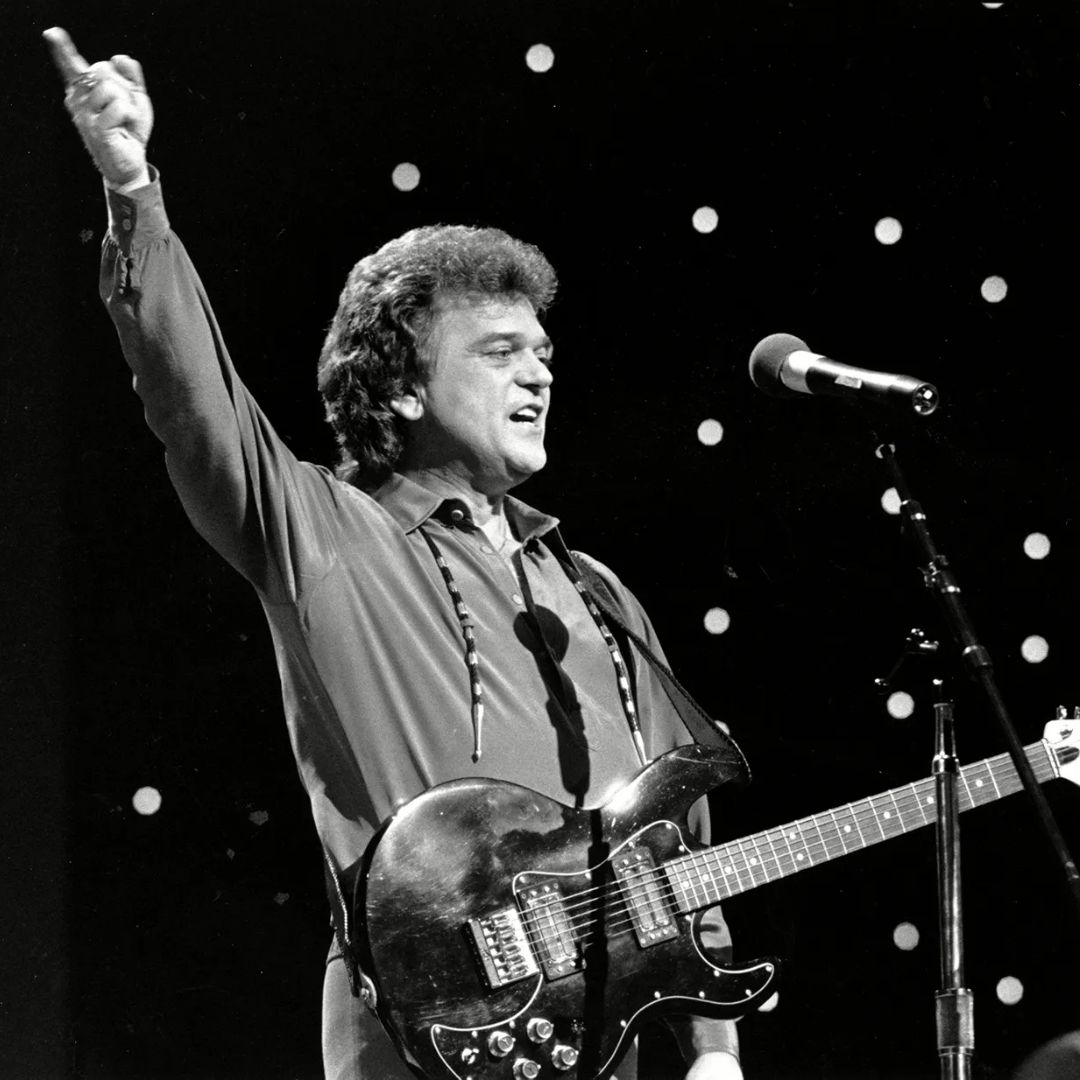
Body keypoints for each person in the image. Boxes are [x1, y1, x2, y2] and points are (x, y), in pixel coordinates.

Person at [44, 26, 745, 1080]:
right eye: (500, 352)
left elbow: (679, 848)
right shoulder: (327, 536)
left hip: (609, 1046)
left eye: (544, 353)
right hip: (423, 1039)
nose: (539, 374)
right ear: (406, 388)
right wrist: (133, 189)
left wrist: (714, 1049)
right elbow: (196, 404)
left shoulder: (600, 598)